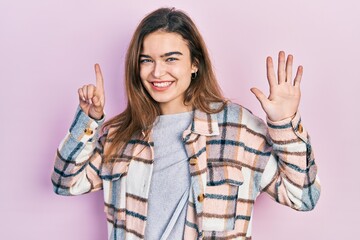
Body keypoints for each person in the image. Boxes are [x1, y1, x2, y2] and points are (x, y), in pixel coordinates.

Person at [51, 7, 321, 240]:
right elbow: (65, 182)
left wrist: (284, 124)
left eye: (171, 59)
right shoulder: (121, 135)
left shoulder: (236, 127)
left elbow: (303, 196)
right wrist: (88, 120)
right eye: (147, 60)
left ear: (194, 64)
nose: (157, 72)